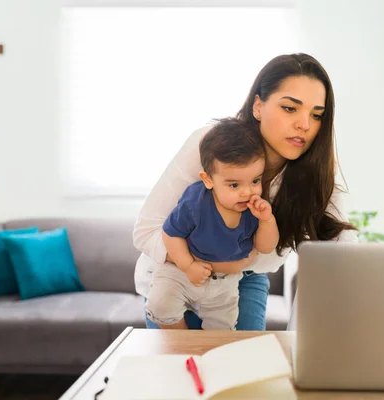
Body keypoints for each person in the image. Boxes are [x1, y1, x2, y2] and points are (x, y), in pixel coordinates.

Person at [133, 53, 358, 331]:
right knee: (176, 368)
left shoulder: (316, 173)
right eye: (290, 108)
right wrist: (198, 264)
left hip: (245, 278)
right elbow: (145, 231)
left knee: (240, 370)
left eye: (316, 115)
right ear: (258, 106)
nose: (305, 125)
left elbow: (343, 244)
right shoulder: (212, 146)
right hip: (176, 272)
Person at [145, 118, 279, 330]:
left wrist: (266, 220)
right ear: (208, 180)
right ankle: (182, 344)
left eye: (255, 181)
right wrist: (188, 265)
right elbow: (171, 234)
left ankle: (209, 354)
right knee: (160, 305)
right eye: (234, 184)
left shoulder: (254, 208)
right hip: (181, 271)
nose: (248, 191)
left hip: (224, 282)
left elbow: (265, 247)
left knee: (222, 329)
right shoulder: (195, 201)